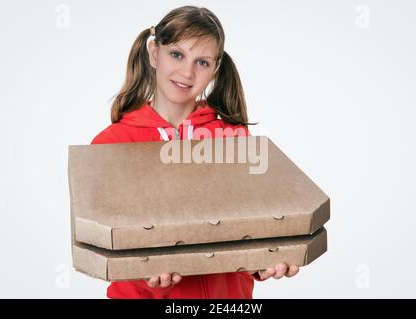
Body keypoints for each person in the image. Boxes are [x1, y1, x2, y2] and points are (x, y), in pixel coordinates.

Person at [91, 5, 299, 299]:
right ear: (153, 53)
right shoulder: (111, 145)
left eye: (202, 62)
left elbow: (246, 228)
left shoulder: (233, 138)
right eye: (177, 54)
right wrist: (142, 273)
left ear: (215, 69)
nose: (187, 72)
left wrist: (262, 263)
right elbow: (107, 247)